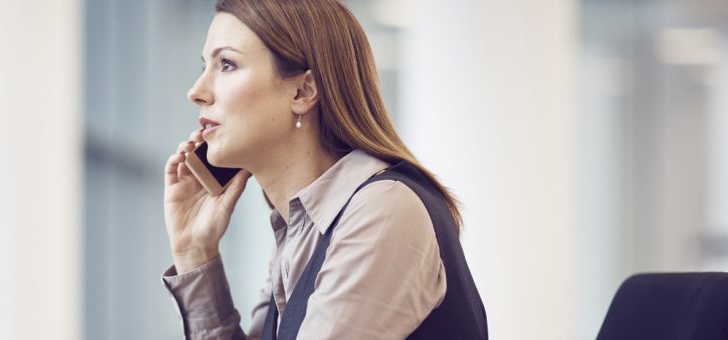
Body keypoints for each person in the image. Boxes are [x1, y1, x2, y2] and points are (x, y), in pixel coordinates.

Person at [161, 0, 487, 339]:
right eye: (205, 67)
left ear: (303, 91)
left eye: (226, 64)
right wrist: (195, 252)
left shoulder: (383, 211)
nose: (196, 92)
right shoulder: (299, 232)